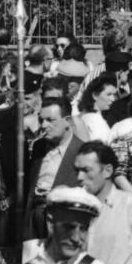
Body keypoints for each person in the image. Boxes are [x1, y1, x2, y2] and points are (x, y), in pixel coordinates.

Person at [23, 91, 83, 239]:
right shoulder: (39, 146)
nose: (44, 125)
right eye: (41, 120)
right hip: (33, 218)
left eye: (50, 120)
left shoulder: (82, 152)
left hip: (61, 221)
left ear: (67, 120)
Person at [73, 74, 120, 144]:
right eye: (108, 94)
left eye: (114, 95)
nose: (113, 99)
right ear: (95, 95)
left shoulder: (83, 116)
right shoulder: (95, 120)